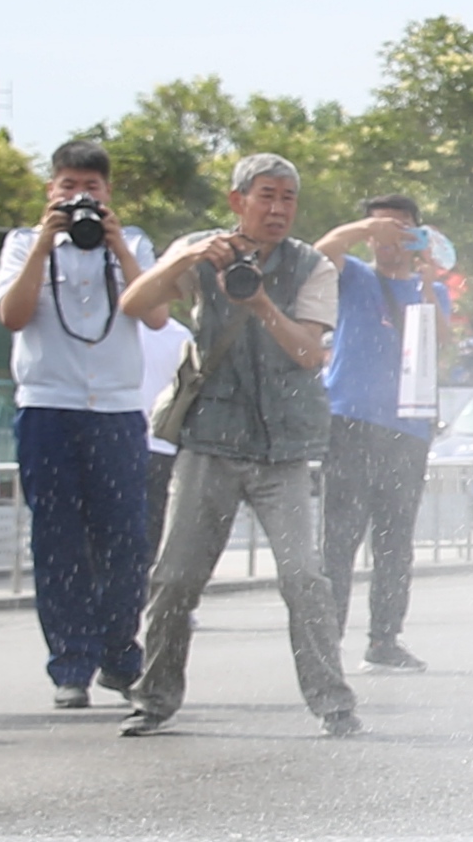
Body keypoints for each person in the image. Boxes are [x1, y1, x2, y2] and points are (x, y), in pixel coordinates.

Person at [117, 153, 357, 739]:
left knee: (305, 578)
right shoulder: (201, 252)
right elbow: (135, 306)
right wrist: (185, 256)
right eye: (266, 196)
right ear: (237, 201)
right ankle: (154, 698)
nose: (277, 209)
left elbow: (309, 353)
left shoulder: (312, 266)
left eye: (288, 199)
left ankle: (333, 703)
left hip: (283, 448)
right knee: (175, 578)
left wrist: (259, 304)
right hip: (210, 439)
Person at [0, 136, 160, 712]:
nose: (80, 198)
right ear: (50, 191)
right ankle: (71, 663)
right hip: (48, 408)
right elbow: (12, 316)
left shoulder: (133, 243)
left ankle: (120, 654)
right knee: (57, 540)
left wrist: (118, 247)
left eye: (91, 187)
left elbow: (155, 313)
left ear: (109, 193)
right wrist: (45, 242)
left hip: (115, 410)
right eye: (69, 187)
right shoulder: (21, 245)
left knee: (125, 539)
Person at [311, 195, 453, 673]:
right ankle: (326, 639)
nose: (392, 239)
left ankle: (384, 638)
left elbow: (441, 343)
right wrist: (364, 227)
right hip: (349, 420)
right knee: (340, 536)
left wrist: (429, 277)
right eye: (384, 230)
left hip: (407, 427)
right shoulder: (353, 274)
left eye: (404, 230)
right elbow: (319, 252)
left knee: (395, 539)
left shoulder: (426, 286)